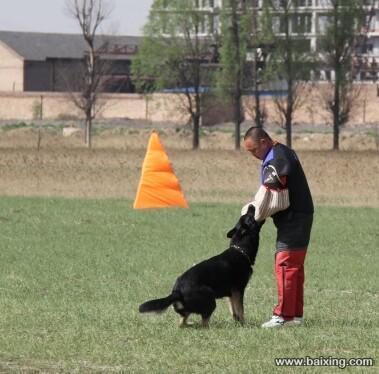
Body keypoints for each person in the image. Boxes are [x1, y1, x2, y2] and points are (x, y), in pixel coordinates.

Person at [242, 127, 314, 328]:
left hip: (295, 218)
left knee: (285, 263)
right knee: (295, 267)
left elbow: (270, 194)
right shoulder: (281, 151)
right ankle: (294, 316)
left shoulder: (277, 158)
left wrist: (253, 216)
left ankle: (282, 316)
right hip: (301, 214)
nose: (253, 155)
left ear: (264, 142)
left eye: (254, 150)